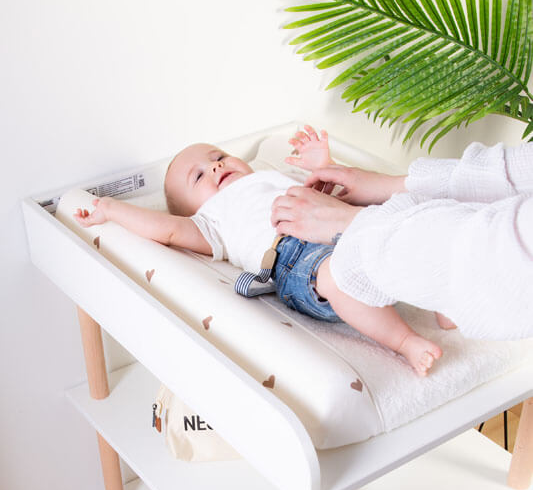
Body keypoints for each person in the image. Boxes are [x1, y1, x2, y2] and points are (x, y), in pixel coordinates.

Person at [74, 128, 443, 376]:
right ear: (192, 209)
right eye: (199, 176)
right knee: (338, 276)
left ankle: (443, 296)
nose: (216, 165)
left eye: (219, 156)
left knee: (400, 227)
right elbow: (166, 229)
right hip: (298, 260)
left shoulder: (273, 177)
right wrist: (111, 209)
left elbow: (335, 198)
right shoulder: (210, 221)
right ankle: (404, 341)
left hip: (345, 227)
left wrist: (321, 167)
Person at [272, 132, 533, 342]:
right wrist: (394, 185)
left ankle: (418, 327)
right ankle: (407, 340)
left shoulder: (271, 176)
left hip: (332, 227)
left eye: (228, 158)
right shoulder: (233, 202)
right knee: (331, 279)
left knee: (341, 272)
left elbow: (509, 255)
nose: (227, 164)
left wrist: (348, 215)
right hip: (293, 252)